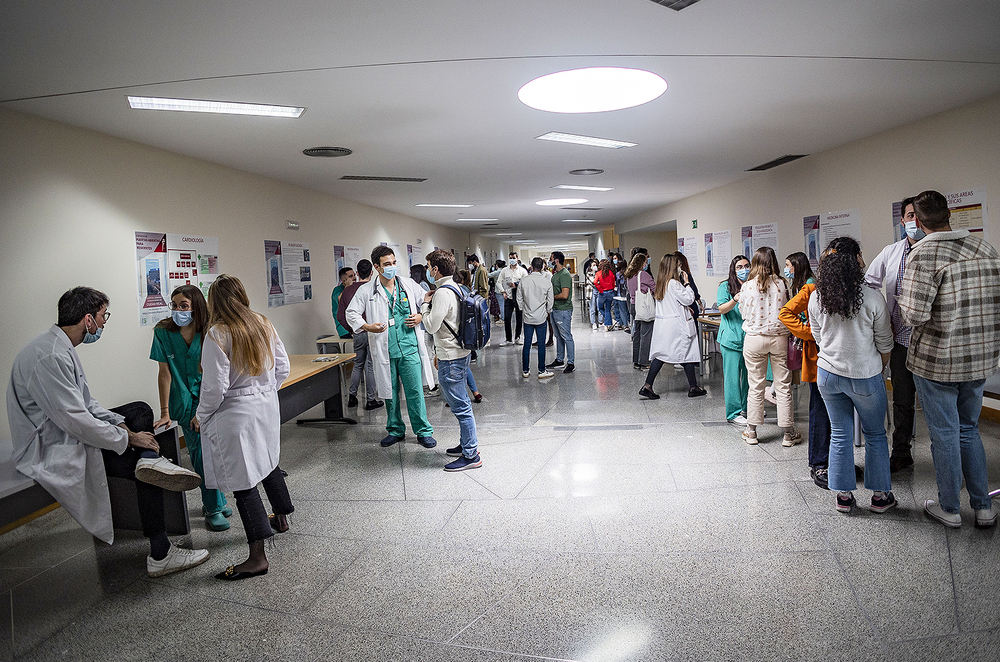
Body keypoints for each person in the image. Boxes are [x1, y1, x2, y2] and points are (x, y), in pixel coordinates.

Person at [8, 287, 207, 578]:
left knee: (139, 410)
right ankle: (161, 553)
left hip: (67, 429)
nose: (103, 323)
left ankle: (150, 458)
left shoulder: (59, 346)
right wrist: (129, 438)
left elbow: (87, 404)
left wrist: (119, 424)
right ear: (88, 319)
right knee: (145, 471)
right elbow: (75, 421)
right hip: (52, 445)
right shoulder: (50, 357)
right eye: (103, 316)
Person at [899, 189, 1000, 528]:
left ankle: (950, 509)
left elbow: (913, 314)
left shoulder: (922, 254)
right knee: (969, 429)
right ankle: (984, 508)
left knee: (944, 432)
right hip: (979, 358)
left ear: (919, 221)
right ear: (948, 214)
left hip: (937, 360)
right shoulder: (984, 247)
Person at [196, 275, 293, 579]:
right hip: (265, 407)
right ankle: (281, 518)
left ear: (214, 302)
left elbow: (214, 387)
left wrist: (201, 415)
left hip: (235, 413)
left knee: (243, 482)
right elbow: (283, 367)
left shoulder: (218, 334)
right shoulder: (263, 323)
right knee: (267, 462)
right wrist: (264, 390)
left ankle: (257, 558)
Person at [808, 238, 895, 514]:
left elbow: (818, 336)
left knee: (840, 434)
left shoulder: (817, 296)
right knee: (875, 434)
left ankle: (843, 497)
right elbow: (885, 342)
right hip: (865, 376)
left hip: (828, 376)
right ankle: (880, 497)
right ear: (856, 260)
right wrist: (877, 369)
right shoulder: (871, 297)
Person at [151, 284, 232, 532]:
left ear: (196, 307)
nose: (178, 310)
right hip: (184, 403)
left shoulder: (210, 332)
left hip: (209, 398)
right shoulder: (163, 332)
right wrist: (164, 411)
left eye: (183, 306)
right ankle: (214, 508)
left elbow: (216, 372)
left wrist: (204, 409)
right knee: (199, 454)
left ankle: (218, 498)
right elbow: (164, 374)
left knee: (215, 450)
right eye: (174, 305)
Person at [346, 245, 437, 448]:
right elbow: (351, 313)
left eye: (394, 263)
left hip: (409, 347)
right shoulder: (366, 289)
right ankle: (395, 430)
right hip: (384, 350)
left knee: (415, 392)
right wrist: (367, 326)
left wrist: (421, 315)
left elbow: (427, 299)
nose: (392, 267)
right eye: (387, 264)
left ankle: (423, 431)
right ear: (377, 267)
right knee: (390, 392)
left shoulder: (407, 284)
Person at [865, 196, 921, 472]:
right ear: (902, 220)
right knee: (902, 400)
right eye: (910, 216)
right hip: (900, 339)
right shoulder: (891, 252)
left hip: (931, 342)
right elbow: (869, 282)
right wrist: (879, 313)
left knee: (935, 403)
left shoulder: (935, 250)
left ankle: (947, 452)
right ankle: (901, 451)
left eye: (919, 216)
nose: (915, 221)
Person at [421, 252, 483, 471]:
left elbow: (431, 326)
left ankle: (470, 455)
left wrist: (424, 305)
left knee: (461, 407)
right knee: (461, 404)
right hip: (460, 352)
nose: (428, 270)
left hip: (451, 358)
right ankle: (465, 444)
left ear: (436, 269)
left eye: (429, 266)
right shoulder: (457, 287)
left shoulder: (441, 294)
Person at [738, 247, 801, 446]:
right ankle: (788, 434)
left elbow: (743, 312)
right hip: (779, 338)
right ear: (773, 261)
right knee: (783, 386)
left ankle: (752, 432)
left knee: (755, 385)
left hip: (754, 338)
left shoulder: (747, 286)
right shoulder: (783, 284)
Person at [779, 271, 831, 490]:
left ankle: (836, 462)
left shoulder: (850, 293)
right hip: (818, 358)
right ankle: (819, 463)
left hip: (841, 360)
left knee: (838, 417)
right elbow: (786, 313)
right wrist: (809, 333)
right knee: (819, 410)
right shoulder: (810, 290)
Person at [639, 254, 706, 399]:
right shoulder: (674, 283)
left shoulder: (662, 283)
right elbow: (689, 298)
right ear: (673, 266)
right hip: (677, 326)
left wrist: (683, 308)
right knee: (686, 353)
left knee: (662, 354)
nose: (680, 267)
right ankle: (693, 387)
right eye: (678, 265)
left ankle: (648, 385)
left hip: (664, 325)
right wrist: (687, 284)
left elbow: (672, 302)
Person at [337, 259, 384, 411]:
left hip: (357, 333)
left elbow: (341, 316)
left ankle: (352, 396)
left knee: (357, 364)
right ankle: (371, 400)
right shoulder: (375, 288)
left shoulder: (347, 291)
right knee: (370, 366)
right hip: (372, 332)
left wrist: (352, 329)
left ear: (357, 273)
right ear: (372, 272)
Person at [716, 255, 751, 426]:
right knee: (732, 377)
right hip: (731, 337)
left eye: (746, 265)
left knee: (749, 376)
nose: (743, 269)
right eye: (739, 267)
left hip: (749, 338)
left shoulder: (752, 285)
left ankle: (747, 407)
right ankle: (733, 412)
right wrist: (735, 299)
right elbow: (722, 309)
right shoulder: (725, 286)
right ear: (733, 269)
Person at [516, 257, 555, 379]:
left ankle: (525, 370)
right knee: (541, 344)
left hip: (527, 317)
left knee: (527, 344)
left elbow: (519, 298)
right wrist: (548, 310)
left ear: (531, 267)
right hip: (541, 317)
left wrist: (523, 309)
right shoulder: (546, 282)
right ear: (543, 267)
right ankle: (541, 370)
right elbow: (550, 300)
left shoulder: (523, 281)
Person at [449, 270, 484, 402]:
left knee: (457, 367)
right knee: (464, 365)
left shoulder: (452, 291)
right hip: (468, 333)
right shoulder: (467, 291)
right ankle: (475, 392)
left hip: (456, 334)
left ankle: (460, 396)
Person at [546, 251, 576, 373]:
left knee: (566, 336)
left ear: (556, 260)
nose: (549, 261)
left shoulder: (564, 275)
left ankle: (571, 362)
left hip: (563, 310)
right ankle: (559, 359)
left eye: (551, 259)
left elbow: (564, 295)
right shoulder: (556, 274)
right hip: (555, 309)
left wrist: (551, 297)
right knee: (558, 336)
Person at [625, 251, 655, 370]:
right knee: (646, 334)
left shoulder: (629, 275)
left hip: (633, 306)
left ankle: (636, 360)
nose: (646, 264)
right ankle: (645, 361)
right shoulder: (644, 275)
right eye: (646, 262)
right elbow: (655, 287)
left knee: (637, 333)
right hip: (644, 306)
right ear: (642, 263)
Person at [497, 253, 527, 346]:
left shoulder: (522, 271)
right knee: (507, 318)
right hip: (508, 298)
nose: (512, 260)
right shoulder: (504, 271)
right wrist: (503, 292)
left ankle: (517, 337)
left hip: (518, 298)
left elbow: (526, 283)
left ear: (517, 258)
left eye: (513, 258)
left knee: (519, 318)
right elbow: (499, 282)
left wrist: (516, 284)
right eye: (510, 258)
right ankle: (508, 338)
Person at [331, 266, 356, 338]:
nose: (354, 278)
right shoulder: (337, 290)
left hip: (355, 325)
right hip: (344, 328)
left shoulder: (355, 288)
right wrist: (347, 286)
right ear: (343, 280)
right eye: (351, 276)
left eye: (354, 275)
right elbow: (340, 299)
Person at [593, 258, 616, 331]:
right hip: (610, 292)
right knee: (608, 309)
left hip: (602, 293)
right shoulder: (611, 273)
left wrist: (600, 289)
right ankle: (608, 324)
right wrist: (612, 289)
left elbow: (595, 282)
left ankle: (608, 322)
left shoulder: (598, 273)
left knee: (600, 308)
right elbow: (613, 283)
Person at [613, 254, 631, 333]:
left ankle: (625, 325)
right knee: (628, 309)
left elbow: (616, 284)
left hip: (620, 294)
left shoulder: (618, 275)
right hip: (628, 293)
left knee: (622, 310)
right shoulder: (629, 273)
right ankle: (630, 322)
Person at [585, 258, 600, 331]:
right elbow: (594, 282)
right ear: (590, 267)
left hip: (598, 291)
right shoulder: (589, 273)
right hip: (591, 291)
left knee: (599, 307)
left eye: (596, 265)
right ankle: (593, 323)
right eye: (593, 265)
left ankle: (600, 322)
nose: (595, 266)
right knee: (592, 308)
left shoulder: (599, 273)